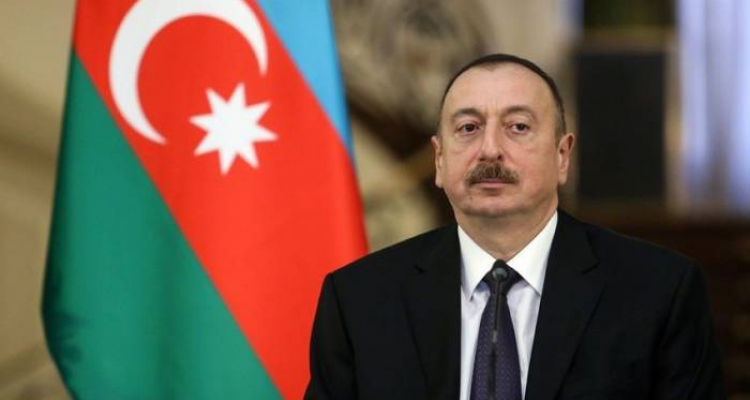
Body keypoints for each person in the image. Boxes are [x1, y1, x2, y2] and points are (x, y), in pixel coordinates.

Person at [303, 54, 725, 400]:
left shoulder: (659, 292)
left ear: (562, 156)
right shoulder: (359, 300)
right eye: (468, 128)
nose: (490, 149)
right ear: (439, 160)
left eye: (518, 127)